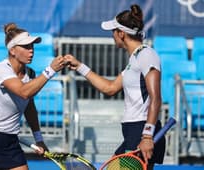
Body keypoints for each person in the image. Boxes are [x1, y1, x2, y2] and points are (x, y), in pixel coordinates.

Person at [64, 4, 165, 170]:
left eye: (113, 32)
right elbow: (110, 88)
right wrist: (80, 66)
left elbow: (156, 98)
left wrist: (147, 135)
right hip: (133, 132)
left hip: (141, 131)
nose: (112, 36)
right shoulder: (134, 60)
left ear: (121, 34)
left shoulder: (147, 54)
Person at [0, 23, 66, 170]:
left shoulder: (30, 73)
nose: (31, 51)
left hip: (10, 142)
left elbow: (29, 106)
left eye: (32, 46)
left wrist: (39, 139)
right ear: (12, 50)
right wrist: (51, 70)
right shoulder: (1, 69)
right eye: (26, 47)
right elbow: (24, 92)